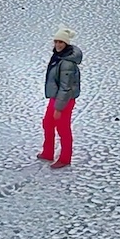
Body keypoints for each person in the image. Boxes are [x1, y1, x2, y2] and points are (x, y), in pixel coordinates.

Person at [39, 26, 83, 169]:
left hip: (64, 100)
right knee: (48, 123)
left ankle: (65, 158)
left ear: (66, 44)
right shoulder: (59, 57)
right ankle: (48, 152)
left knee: (63, 128)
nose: (58, 45)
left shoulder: (67, 63)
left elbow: (66, 87)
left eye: (61, 42)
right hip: (56, 97)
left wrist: (58, 107)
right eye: (56, 41)